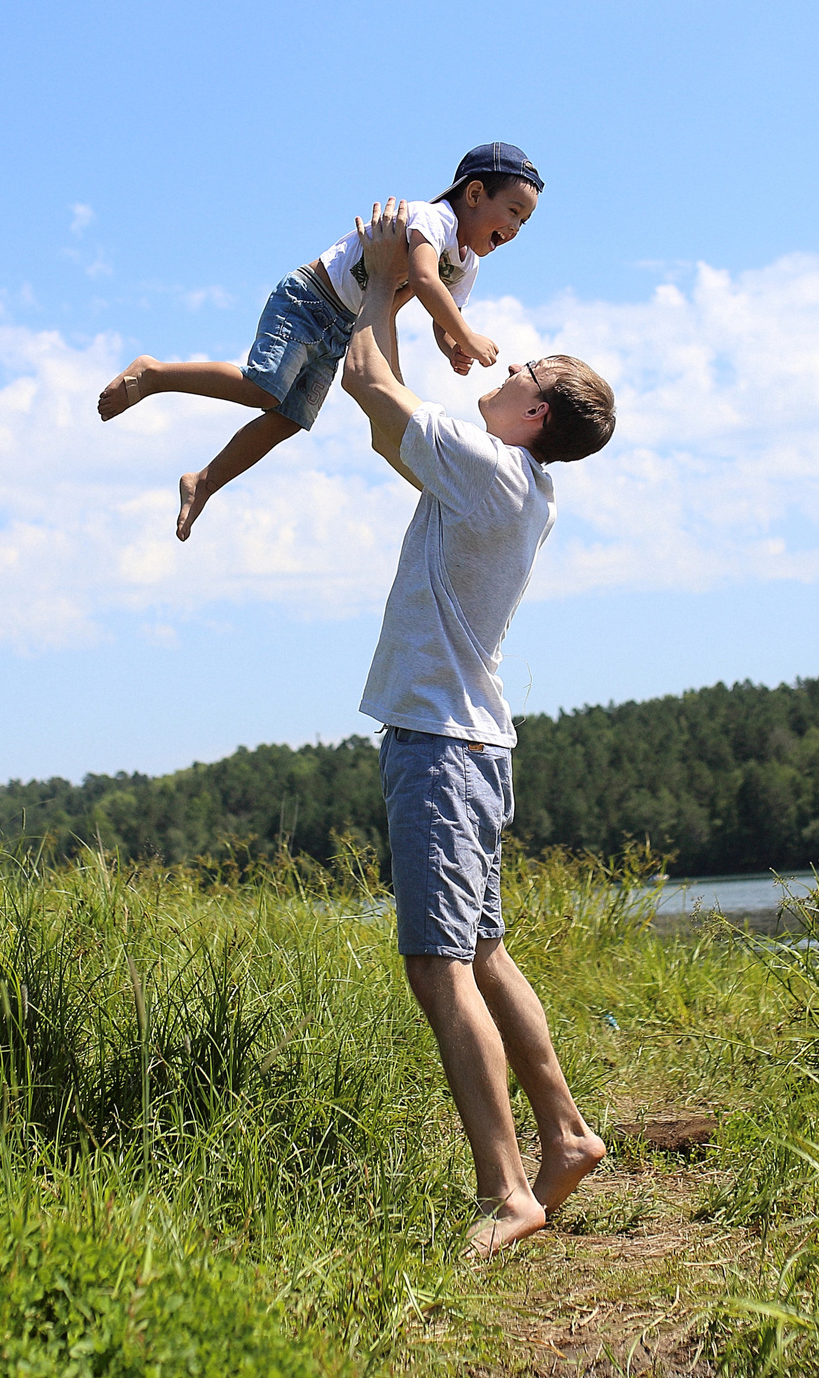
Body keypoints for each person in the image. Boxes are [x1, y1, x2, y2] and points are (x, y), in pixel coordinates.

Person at [336, 197, 619, 1259]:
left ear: (538, 414)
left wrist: (378, 278)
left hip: (441, 749)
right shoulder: (516, 482)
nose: (500, 375)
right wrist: (409, 297)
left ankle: (507, 1191)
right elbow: (389, 415)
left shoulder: (493, 472)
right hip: (470, 745)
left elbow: (370, 385)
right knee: (486, 951)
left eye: (521, 377)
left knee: (438, 964)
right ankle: (569, 1134)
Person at [95, 144, 544, 540]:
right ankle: (154, 373)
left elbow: (443, 312)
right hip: (309, 300)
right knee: (262, 388)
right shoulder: (433, 219)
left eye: (524, 220)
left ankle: (205, 481)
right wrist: (468, 336)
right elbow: (425, 280)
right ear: (473, 194)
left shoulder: (468, 266)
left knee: (289, 418)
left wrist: (451, 345)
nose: (516, 227)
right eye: (512, 211)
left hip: (342, 326)